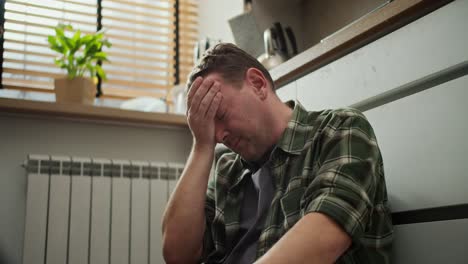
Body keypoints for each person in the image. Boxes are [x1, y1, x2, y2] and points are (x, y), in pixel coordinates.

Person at [162, 43, 393, 264]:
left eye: (220, 115)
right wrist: (202, 146)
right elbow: (177, 254)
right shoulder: (226, 170)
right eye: (210, 127)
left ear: (257, 84)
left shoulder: (339, 130)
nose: (219, 136)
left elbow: (324, 242)